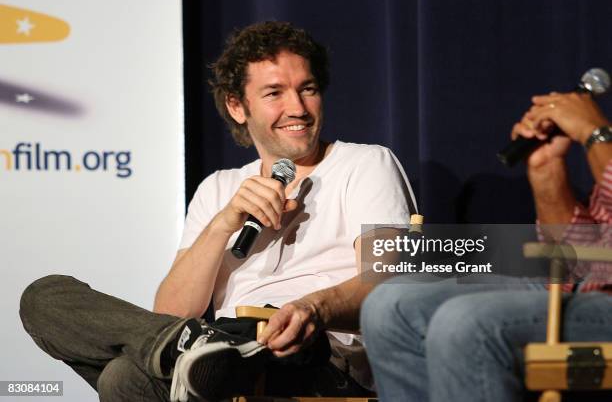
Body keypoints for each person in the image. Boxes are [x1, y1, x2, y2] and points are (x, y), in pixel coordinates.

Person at [19, 21, 416, 402]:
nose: (297, 107)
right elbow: (171, 312)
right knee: (43, 298)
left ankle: (196, 353)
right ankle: (194, 350)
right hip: (223, 348)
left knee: (124, 376)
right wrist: (223, 223)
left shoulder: (365, 164)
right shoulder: (219, 187)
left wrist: (312, 307)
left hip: (315, 351)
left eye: (307, 89)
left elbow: (386, 280)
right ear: (237, 106)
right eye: (274, 93)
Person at [361, 91, 612, 402]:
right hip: (581, 290)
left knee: (466, 322)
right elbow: (580, 261)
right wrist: (547, 167)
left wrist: (596, 133)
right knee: (389, 307)